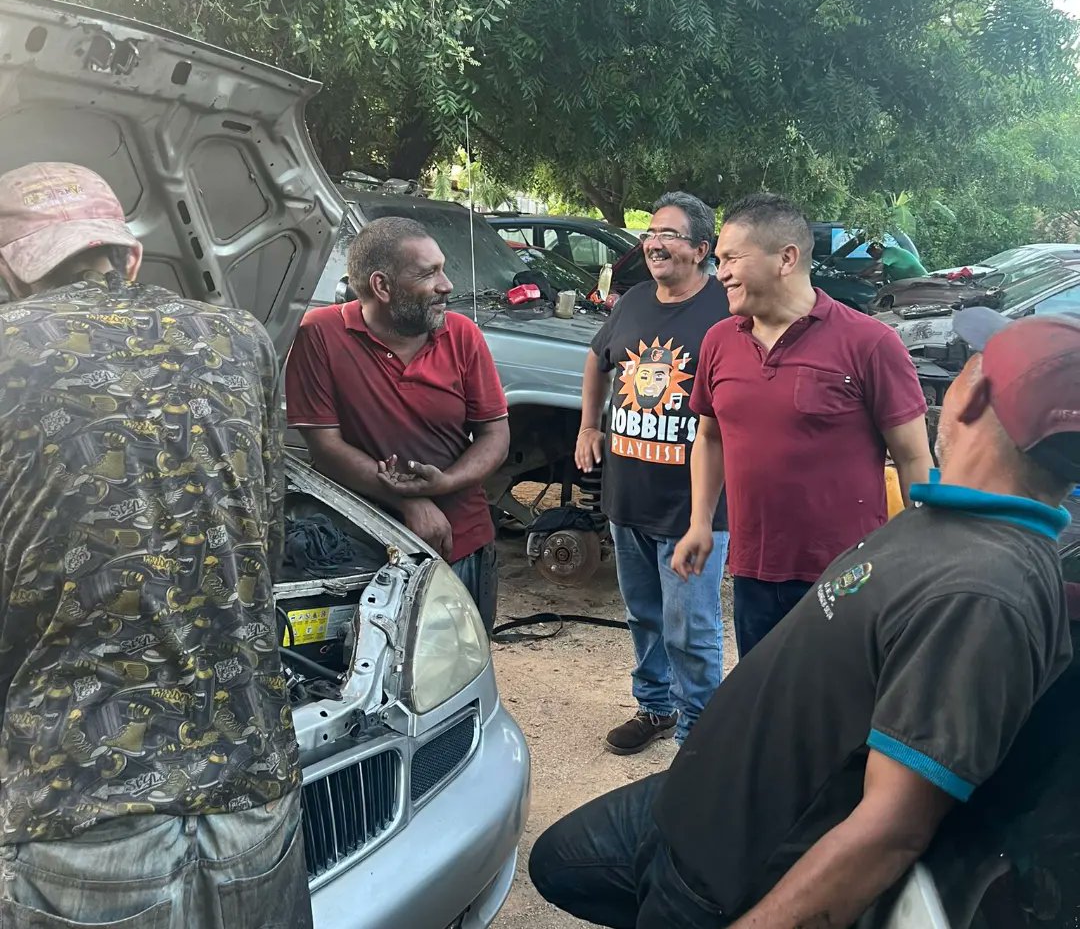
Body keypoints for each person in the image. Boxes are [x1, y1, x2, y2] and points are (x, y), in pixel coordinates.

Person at [529, 307, 1080, 929]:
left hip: (729, 871)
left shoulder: (984, 591)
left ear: (974, 396)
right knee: (556, 862)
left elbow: (891, 829)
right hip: (697, 803)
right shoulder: (951, 522)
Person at [0, 163, 310, 927]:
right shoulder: (241, 339)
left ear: (10, 267)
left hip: (79, 814)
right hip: (253, 803)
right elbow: (264, 547)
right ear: (128, 254)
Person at [673, 193, 933, 655]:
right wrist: (699, 523)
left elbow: (913, 456)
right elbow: (710, 438)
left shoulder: (869, 343)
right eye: (718, 260)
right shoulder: (719, 341)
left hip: (846, 576)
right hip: (754, 568)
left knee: (835, 710)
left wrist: (923, 555)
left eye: (732, 258)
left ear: (786, 259)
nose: (722, 273)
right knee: (765, 702)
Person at [285, 216, 509, 633]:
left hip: (460, 542)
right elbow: (325, 448)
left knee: (454, 675)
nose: (447, 285)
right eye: (428, 273)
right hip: (359, 544)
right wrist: (410, 502)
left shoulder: (462, 335)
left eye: (442, 268)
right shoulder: (320, 334)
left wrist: (443, 484)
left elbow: (495, 435)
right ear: (382, 286)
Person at [578, 192, 731, 752]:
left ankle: (700, 734)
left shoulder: (727, 307)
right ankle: (656, 707)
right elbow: (598, 358)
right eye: (650, 232)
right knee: (643, 614)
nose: (653, 242)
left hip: (695, 508)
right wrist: (588, 427)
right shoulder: (635, 299)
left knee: (691, 628)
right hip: (628, 496)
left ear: (701, 248)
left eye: (667, 233)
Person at [863, 239, 929, 283]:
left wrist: (859, 274)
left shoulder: (890, 252)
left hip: (920, 280)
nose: (873, 258)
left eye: (873, 255)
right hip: (909, 282)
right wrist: (865, 281)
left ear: (878, 249)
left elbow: (876, 267)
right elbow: (883, 277)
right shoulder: (887, 263)